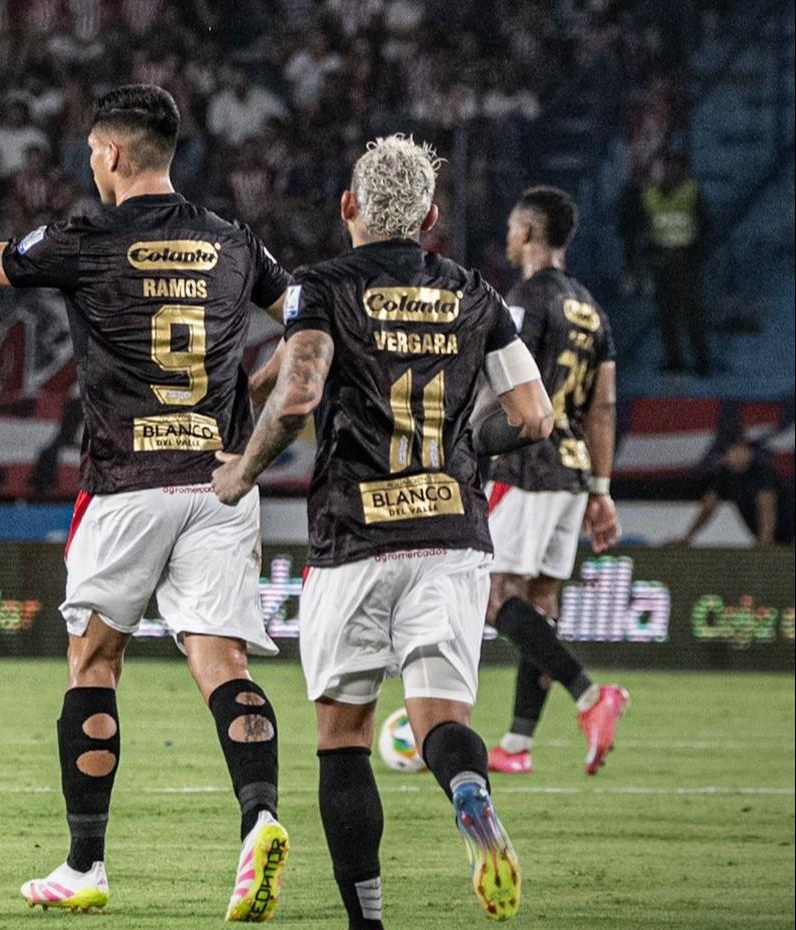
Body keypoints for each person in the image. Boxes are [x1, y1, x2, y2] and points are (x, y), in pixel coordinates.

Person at [0, 84, 294, 921]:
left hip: (127, 486)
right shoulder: (232, 241)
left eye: (92, 152)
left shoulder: (87, 238)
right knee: (224, 665)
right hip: (219, 483)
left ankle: (84, 865)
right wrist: (246, 403)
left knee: (94, 663)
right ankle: (260, 819)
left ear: (109, 154)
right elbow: (312, 328)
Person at [211, 135, 554, 926]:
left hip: (354, 534)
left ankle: (365, 919)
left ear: (347, 206)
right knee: (441, 722)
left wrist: (242, 470)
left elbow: (300, 394)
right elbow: (534, 417)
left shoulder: (322, 287)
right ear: (430, 217)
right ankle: (468, 792)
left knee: (343, 738)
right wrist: (468, 444)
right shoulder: (473, 292)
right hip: (451, 535)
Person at [484, 186, 630, 777]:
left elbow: (505, 381)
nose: (508, 236)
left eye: (512, 227)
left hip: (525, 464)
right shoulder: (591, 309)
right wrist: (601, 489)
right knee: (539, 605)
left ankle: (590, 695)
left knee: (497, 599)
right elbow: (604, 407)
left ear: (528, 232)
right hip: (571, 470)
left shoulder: (525, 298)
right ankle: (517, 744)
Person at [638, 152, 709, 376]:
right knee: (666, 314)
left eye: (675, 167)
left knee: (692, 313)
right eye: (667, 167)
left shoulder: (691, 193)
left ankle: (701, 359)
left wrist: (697, 254)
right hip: (661, 261)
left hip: (685, 260)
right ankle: (674, 359)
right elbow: (641, 226)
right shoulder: (649, 195)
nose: (670, 172)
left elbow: (705, 225)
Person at [674, 428, 795, 547]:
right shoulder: (725, 473)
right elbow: (708, 506)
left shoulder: (761, 468)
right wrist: (687, 538)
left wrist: (765, 542)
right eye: (731, 451)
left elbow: (766, 506)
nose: (736, 455)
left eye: (739, 449)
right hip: (766, 534)